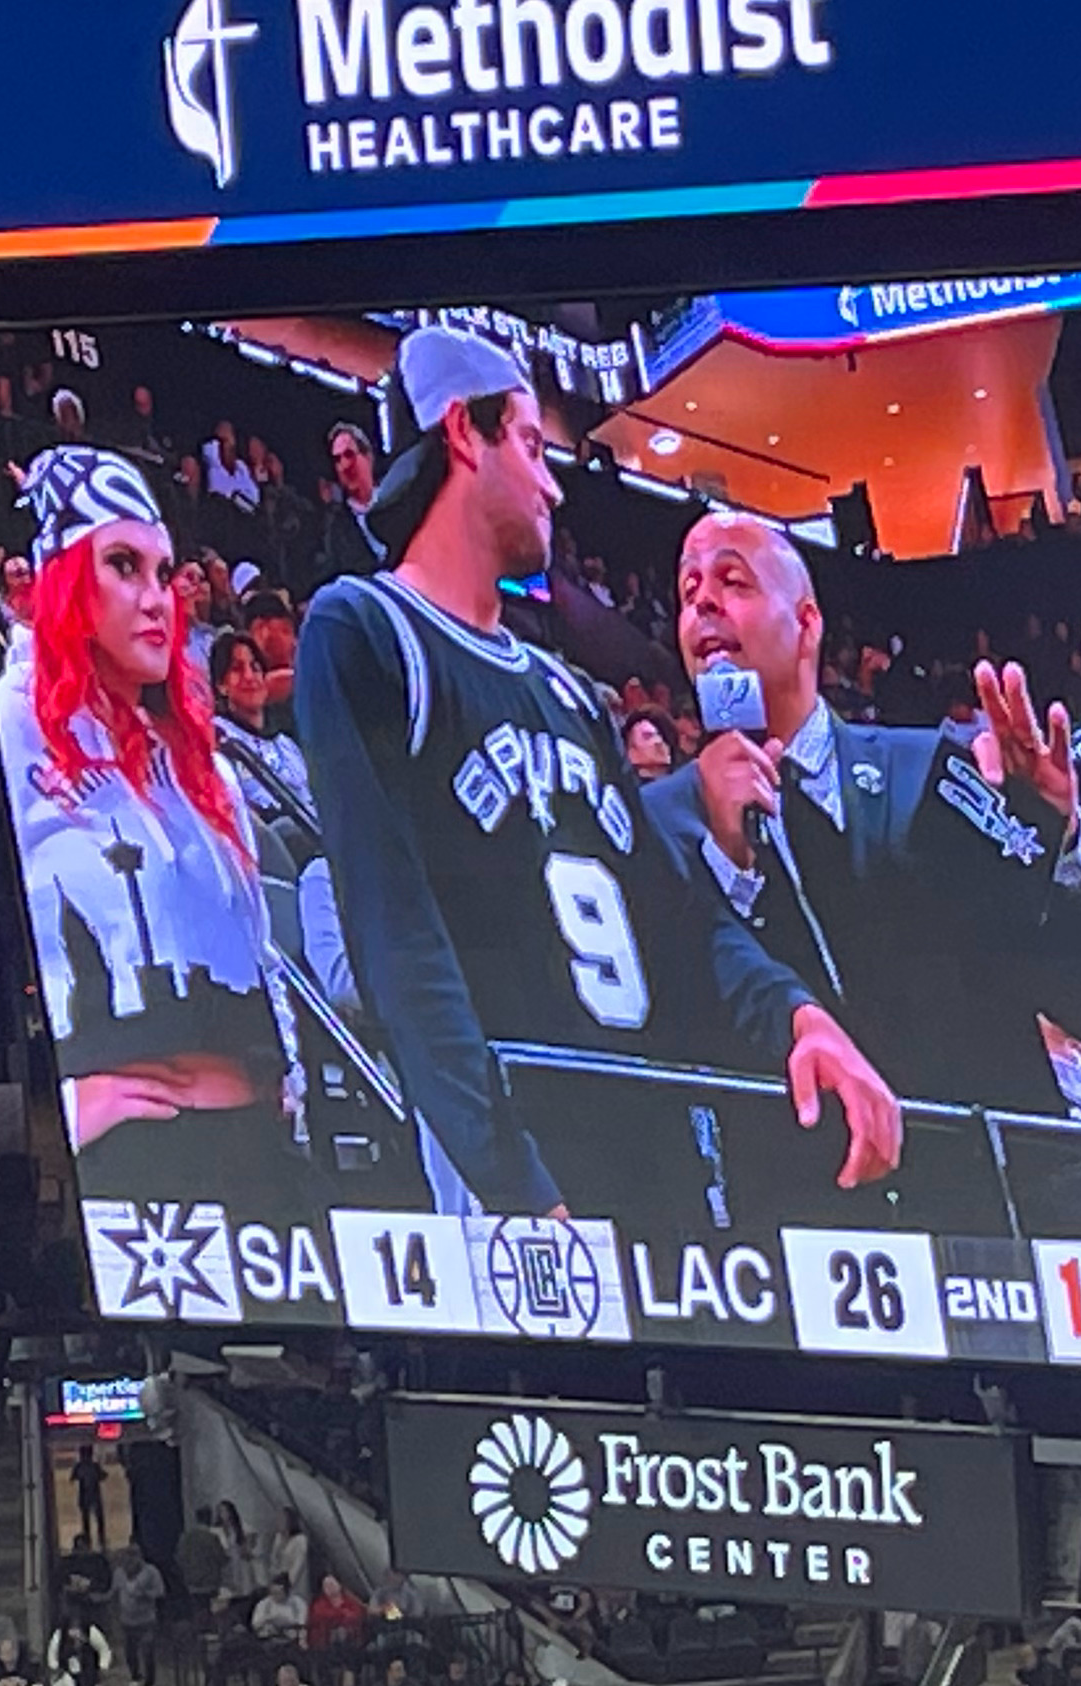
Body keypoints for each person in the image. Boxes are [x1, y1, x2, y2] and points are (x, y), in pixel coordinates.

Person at [295, 324, 901, 1225]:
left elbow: (672, 914)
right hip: (526, 1170)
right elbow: (400, 942)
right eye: (530, 445)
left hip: (654, 1152)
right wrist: (515, 1184)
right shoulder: (367, 630)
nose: (552, 485)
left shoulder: (568, 693)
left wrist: (798, 1018)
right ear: (464, 432)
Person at [641, 509, 1081, 1120]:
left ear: (807, 623)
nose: (703, 601)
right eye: (688, 590)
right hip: (791, 1172)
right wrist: (728, 865)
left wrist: (1061, 842)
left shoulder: (928, 775)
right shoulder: (659, 821)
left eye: (733, 581)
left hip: (994, 1169)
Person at [0, 445, 301, 1217]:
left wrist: (288, 1089)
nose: (157, 598)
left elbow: (261, 950)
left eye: (163, 572)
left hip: (259, 1157)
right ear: (65, 578)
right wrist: (59, 1111)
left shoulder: (203, 763)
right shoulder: (9, 730)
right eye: (123, 565)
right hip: (130, 1168)